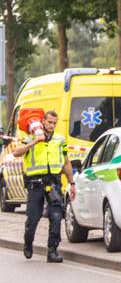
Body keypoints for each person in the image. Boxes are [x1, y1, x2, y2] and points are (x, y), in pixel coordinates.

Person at [11, 110, 75, 262]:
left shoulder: (60, 140)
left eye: (54, 123)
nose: (52, 125)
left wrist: (72, 183)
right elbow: (16, 152)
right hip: (35, 183)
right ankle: (28, 243)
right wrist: (34, 142)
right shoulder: (30, 137)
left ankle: (52, 251)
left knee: (56, 215)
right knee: (33, 217)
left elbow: (66, 162)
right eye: (49, 122)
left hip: (53, 182)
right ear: (43, 121)